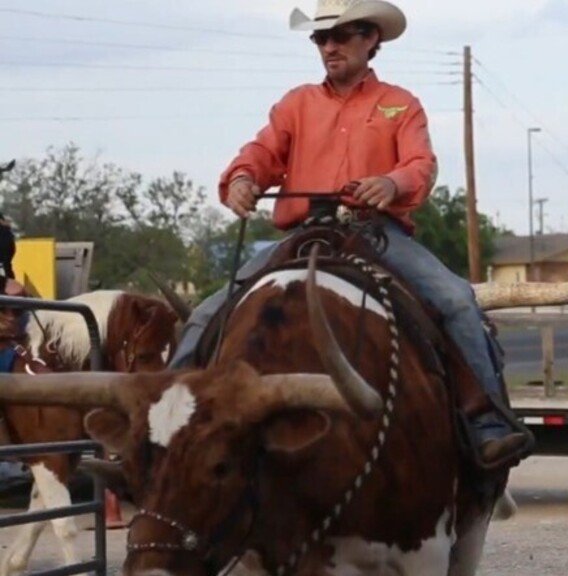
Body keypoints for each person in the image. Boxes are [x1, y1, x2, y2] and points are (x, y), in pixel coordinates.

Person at [173, 0, 528, 467]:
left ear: (371, 38)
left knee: (458, 301)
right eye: (321, 38)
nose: (329, 47)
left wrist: (391, 182)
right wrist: (242, 179)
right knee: (205, 314)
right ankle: (168, 427)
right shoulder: (296, 104)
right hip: (305, 232)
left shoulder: (400, 104)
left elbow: (420, 164)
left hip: (376, 232)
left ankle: (487, 422)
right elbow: (261, 152)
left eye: (341, 36)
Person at [0, 211, 15, 281]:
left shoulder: (5, 229)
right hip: (7, 249)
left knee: (7, 266)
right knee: (7, 266)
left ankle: (11, 282)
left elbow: (9, 245)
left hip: (6, 249)